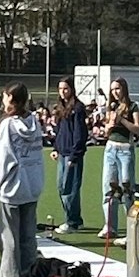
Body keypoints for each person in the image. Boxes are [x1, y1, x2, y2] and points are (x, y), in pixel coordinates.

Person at [0, 83, 45, 277]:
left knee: (9, 238)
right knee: (28, 237)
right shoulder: (35, 121)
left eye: (5, 97)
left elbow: (2, 160)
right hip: (32, 185)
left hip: (12, 188)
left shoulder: (8, 125)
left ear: (12, 99)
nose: (3, 101)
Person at [99, 78, 139, 240]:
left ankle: (132, 225)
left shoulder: (133, 106)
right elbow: (107, 131)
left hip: (125, 149)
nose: (115, 92)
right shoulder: (111, 107)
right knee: (108, 188)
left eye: (117, 88)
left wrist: (122, 119)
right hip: (111, 148)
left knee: (127, 188)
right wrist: (108, 127)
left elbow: (137, 129)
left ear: (124, 89)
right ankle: (110, 227)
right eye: (113, 89)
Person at [50, 77, 88, 235]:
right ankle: (75, 219)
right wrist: (55, 148)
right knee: (61, 186)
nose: (62, 92)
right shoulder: (60, 107)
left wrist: (75, 154)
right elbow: (59, 131)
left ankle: (71, 221)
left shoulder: (78, 108)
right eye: (60, 89)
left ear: (71, 89)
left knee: (69, 188)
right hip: (62, 152)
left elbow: (80, 133)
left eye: (65, 88)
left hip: (73, 154)